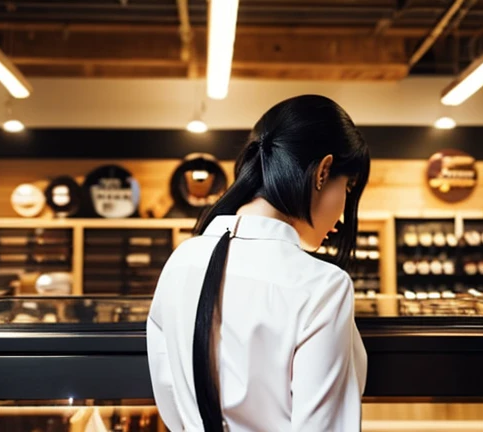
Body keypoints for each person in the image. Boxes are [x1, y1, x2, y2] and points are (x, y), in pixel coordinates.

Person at [147, 95, 370, 431]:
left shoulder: (181, 261)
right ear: (323, 172)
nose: (341, 217)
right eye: (348, 187)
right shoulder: (322, 286)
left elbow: (170, 396)